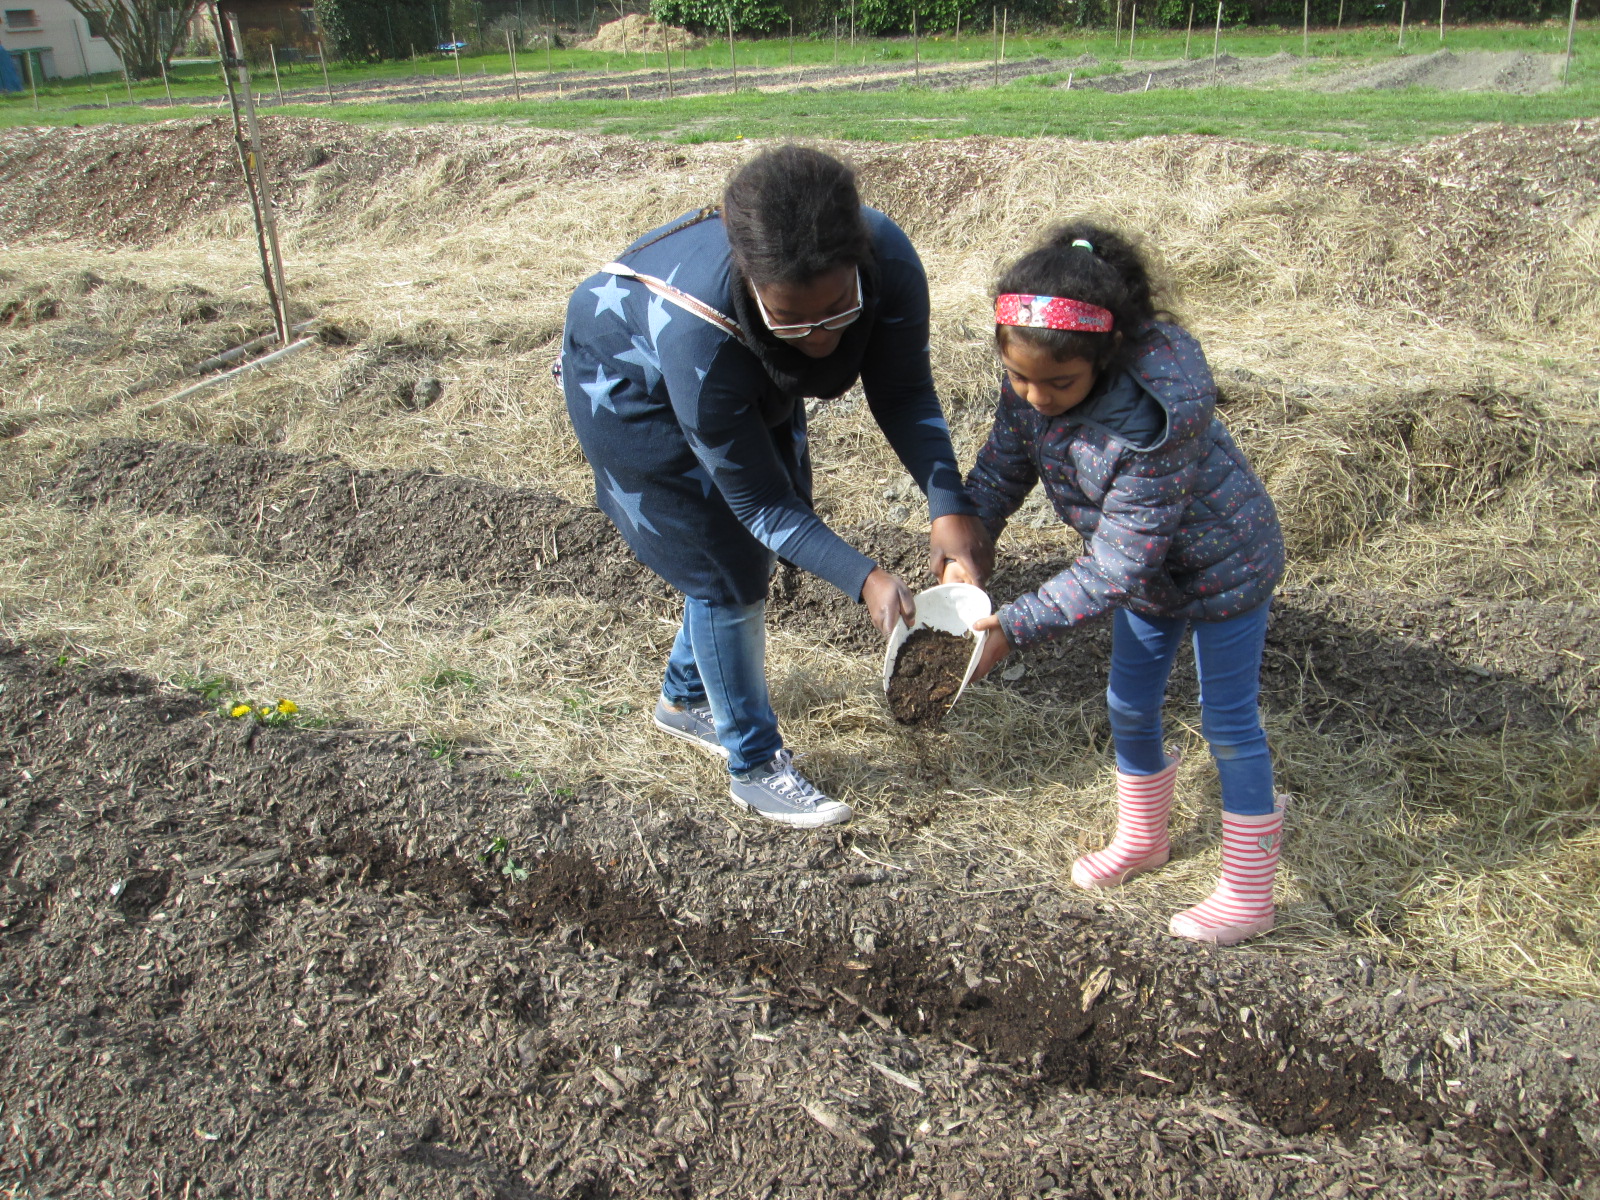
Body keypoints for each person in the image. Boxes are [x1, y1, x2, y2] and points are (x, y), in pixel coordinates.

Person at [561, 145, 992, 830]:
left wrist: (948, 504)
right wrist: (865, 579)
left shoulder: (887, 258)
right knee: (725, 566)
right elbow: (758, 504)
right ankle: (754, 765)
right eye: (792, 318)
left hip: (738, 363)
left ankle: (685, 698)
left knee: (757, 535)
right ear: (752, 284)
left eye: (838, 310)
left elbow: (904, 390)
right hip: (627, 377)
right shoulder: (702, 337)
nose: (819, 338)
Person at [949, 223, 1286, 946]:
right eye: (1018, 377)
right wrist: (970, 536)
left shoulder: (1154, 425)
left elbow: (1116, 566)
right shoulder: (1034, 385)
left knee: (1228, 725)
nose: (1036, 397)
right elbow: (1004, 465)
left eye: (1058, 384)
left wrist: (1014, 625)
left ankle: (1249, 893)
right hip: (1149, 575)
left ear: (1105, 358)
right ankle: (1144, 838)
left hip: (1224, 566)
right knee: (1128, 702)